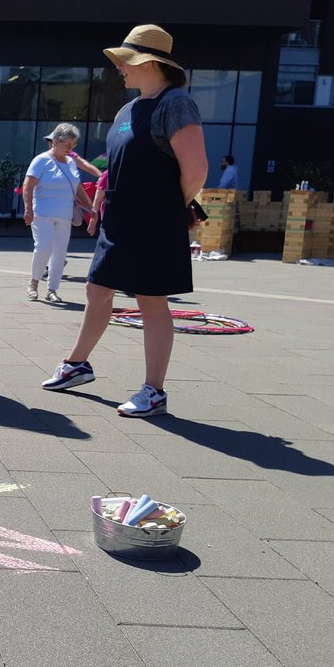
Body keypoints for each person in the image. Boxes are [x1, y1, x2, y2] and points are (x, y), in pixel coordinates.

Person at [42, 24, 209, 417]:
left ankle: (154, 391)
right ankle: (77, 365)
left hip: (154, 220)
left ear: (150, 62)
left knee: (152, 302)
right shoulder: (128, 109)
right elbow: (117, 166)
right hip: (121, 218)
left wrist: (171, 208)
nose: (119, 66)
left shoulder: (176, 103)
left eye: (125, 60)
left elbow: (196, 170)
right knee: (97, 291)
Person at [23, 123, 95, 303]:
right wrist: (27, 209)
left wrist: (91, 208)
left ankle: (52, 289)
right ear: (55, 141)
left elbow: (78, 188)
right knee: (43, 247)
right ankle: (33, 283)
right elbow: (28, 185)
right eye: (67, 145)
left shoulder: (71, 163)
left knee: (60, 253)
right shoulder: (41, 160)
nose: (70, 149)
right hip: (42, 213)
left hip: (64, 215)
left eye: (73, 145)